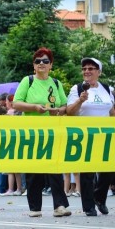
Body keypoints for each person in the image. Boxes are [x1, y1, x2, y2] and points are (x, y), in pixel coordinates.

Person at [12, 47, 70, 218]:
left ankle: (59, 206)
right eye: (38, 61)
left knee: (55, 168)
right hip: (32, 132)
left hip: (53, 131)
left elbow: (65, 105)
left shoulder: (56, 83)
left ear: (51, 64)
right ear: (33, 65)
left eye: (45, 61)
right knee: (34, 170)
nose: (41, 64)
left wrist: (58, 110)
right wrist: (34, 108)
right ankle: (35, 207)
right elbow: (16, 103)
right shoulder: (28, 81)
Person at [66, 57, 115, 216]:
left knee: (108, 168)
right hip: (85, 135)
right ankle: (89, 207)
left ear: (99, 72)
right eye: (84, 69)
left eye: (91, 68)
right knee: (87, 172)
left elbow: (111, 111)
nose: (87, 71)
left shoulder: (107, 88)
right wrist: (80, 101)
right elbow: (69, 111)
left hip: (105, 135)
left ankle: (99, 198)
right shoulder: (77, 88)